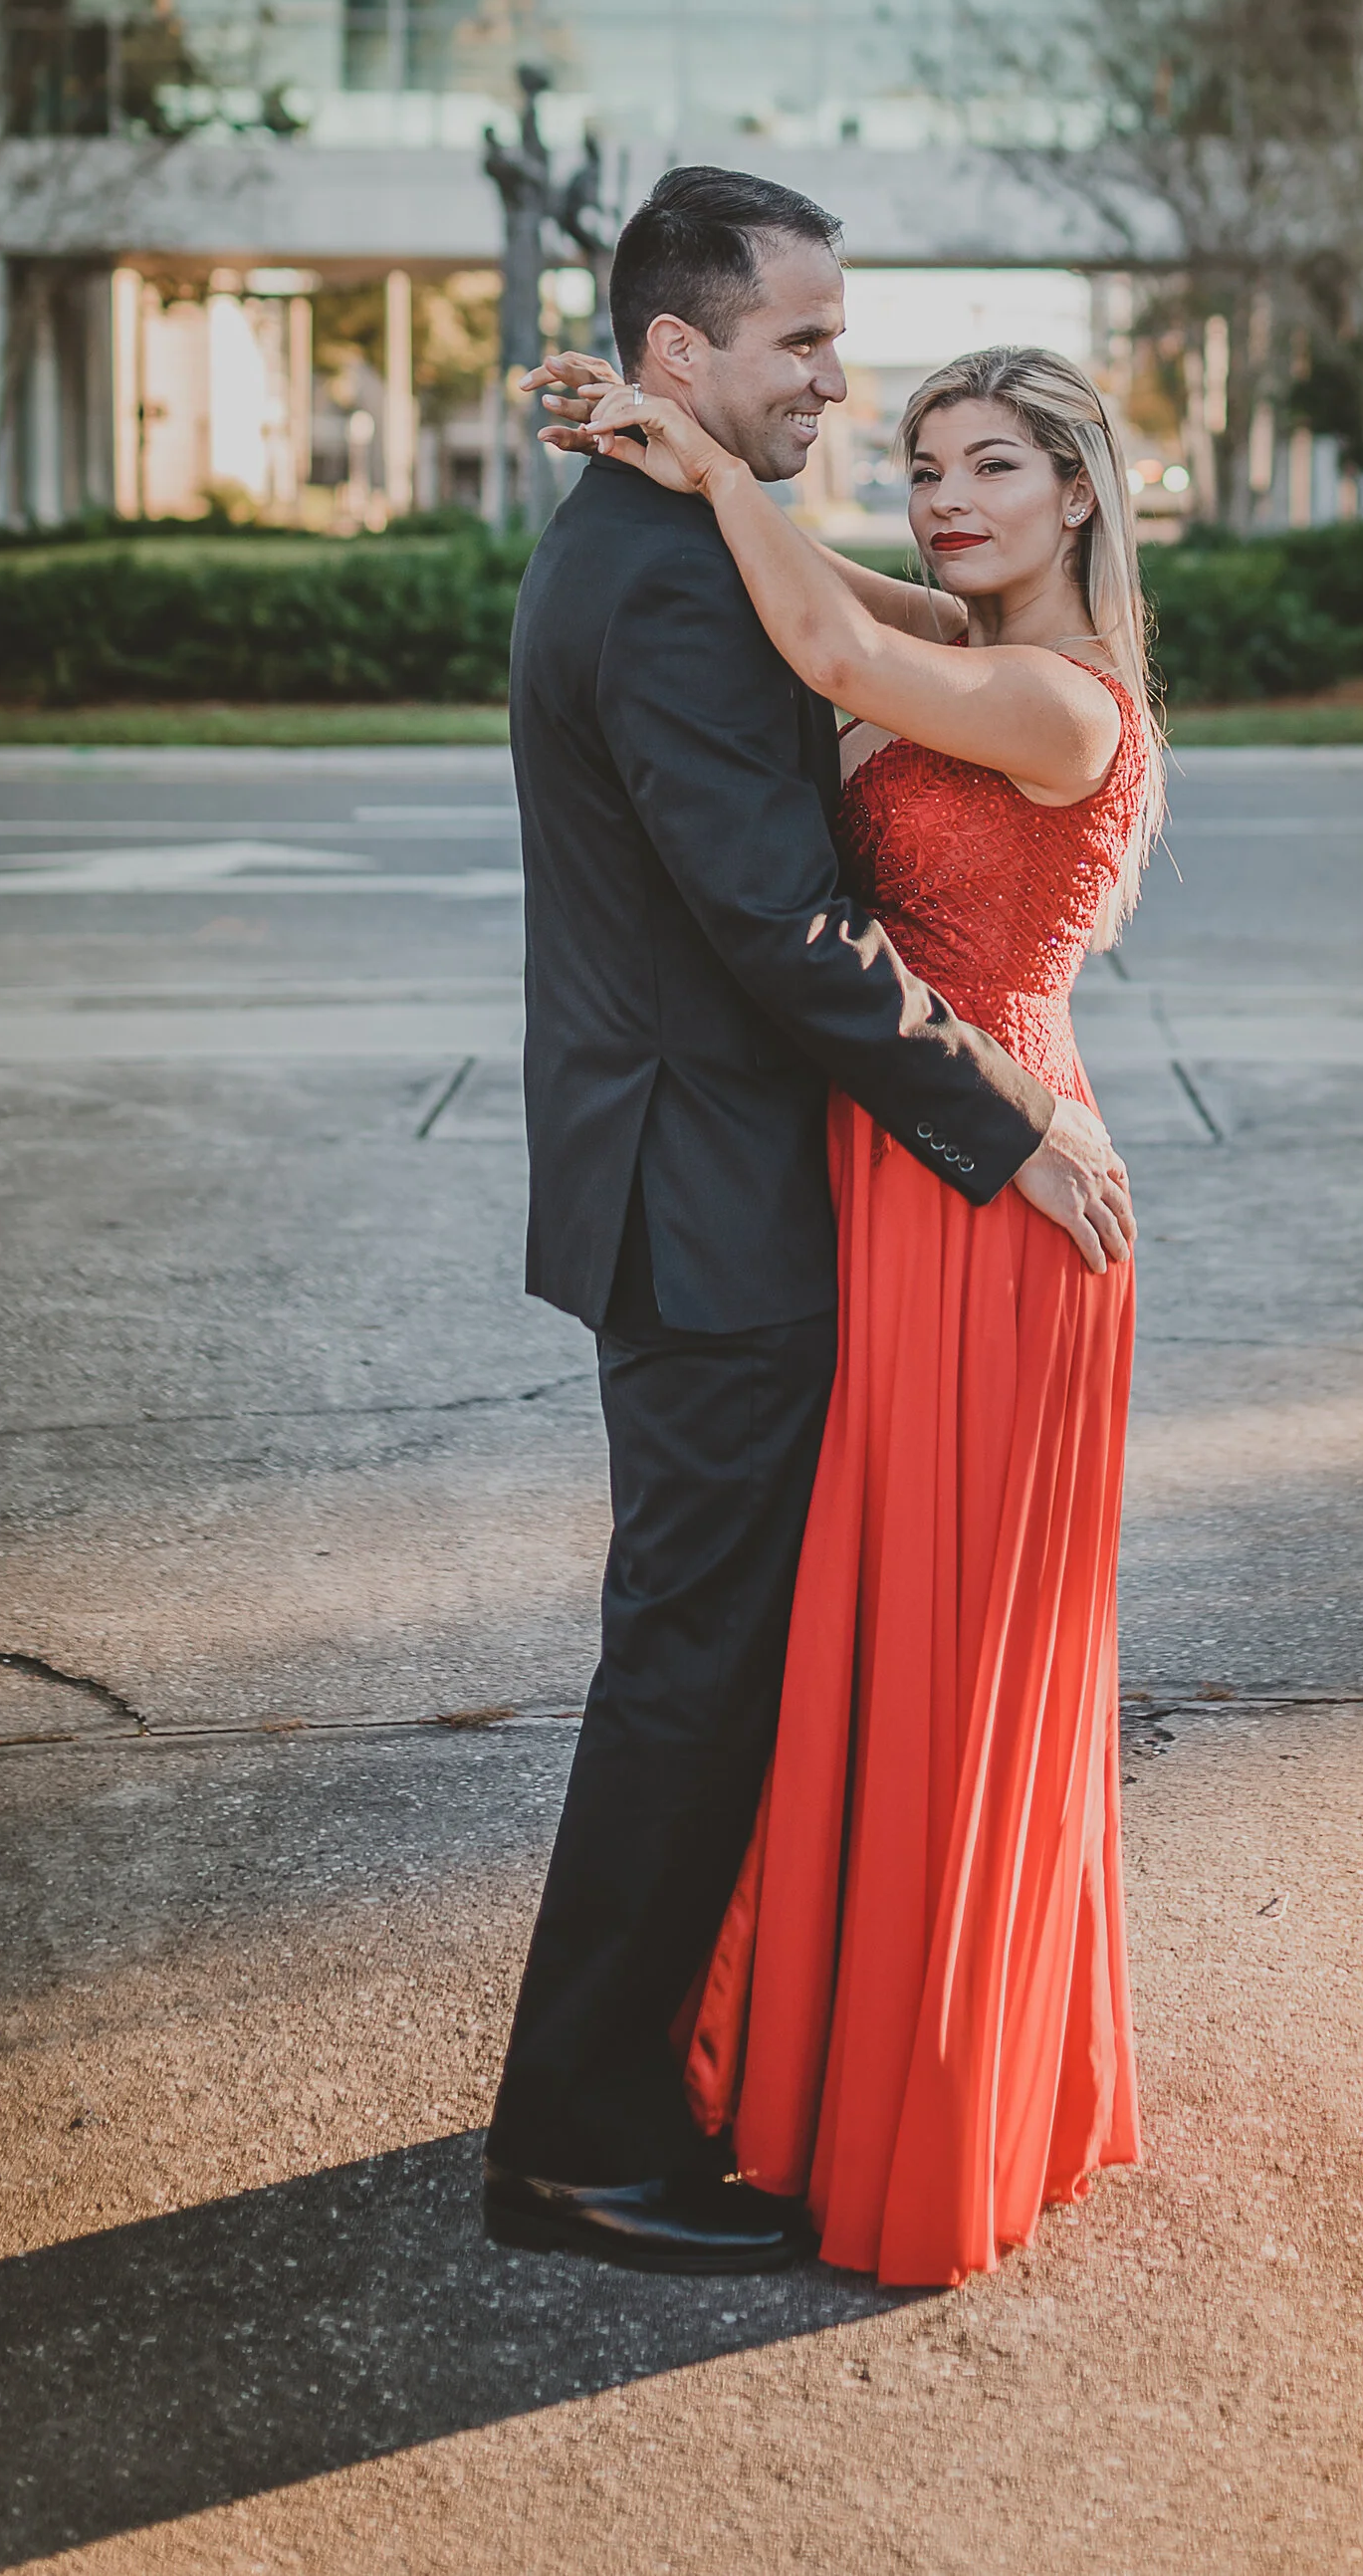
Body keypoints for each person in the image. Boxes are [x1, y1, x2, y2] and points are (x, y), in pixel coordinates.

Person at [484, 166, 1135, 2277]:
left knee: (768, 1660)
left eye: (966, 449)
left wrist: (676, 450)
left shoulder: (673, 540)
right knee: (694, 1671)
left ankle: (698, 2076)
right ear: (686, 346)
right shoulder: (670, 574)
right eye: (802, 346)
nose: (838, 387)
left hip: (767, 1188)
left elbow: (860, 624)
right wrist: (997, 1104)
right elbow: (778, 920)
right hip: (722, 1197)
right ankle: (583, 2132)